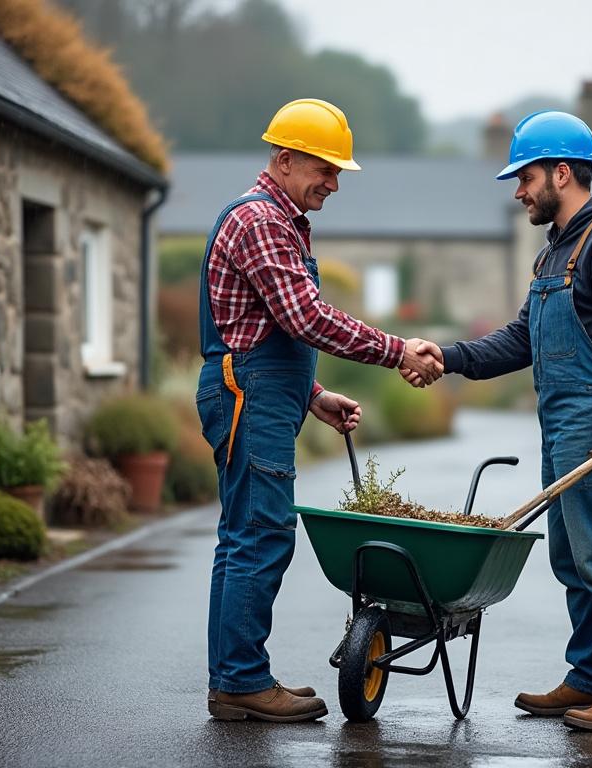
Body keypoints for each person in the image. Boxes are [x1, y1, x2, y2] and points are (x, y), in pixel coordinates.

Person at [404, 110, 592, 732]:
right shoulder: (556, 253)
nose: (519, 191)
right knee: (571, 560)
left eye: (524, 179)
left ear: (562, 172)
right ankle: (590, 677)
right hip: (563, 425)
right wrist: (452, 358)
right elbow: (522, 338)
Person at [196, 98, 442, 723]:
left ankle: (236, 678)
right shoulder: (262, 223)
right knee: (261, 534)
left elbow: (263, 327)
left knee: (245, 533)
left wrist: (314, 396)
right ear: (283, 159)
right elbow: (303, 318)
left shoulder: (283, 221)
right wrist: (397, 351)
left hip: (261, 391)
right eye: (326, 169)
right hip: (248, 393)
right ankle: (243, 682)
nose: (334, 184)